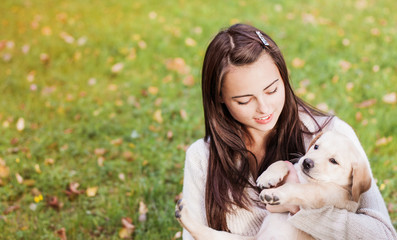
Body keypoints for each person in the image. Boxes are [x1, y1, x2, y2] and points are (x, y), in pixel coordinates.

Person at [181, 23, 397, 239]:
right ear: (219, 97)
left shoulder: (332, 135)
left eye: (272, 89)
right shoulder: (202, 157)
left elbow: (384, 235)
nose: (264, 108)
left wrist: (301, 206)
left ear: (284, 77)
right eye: (244, 100)